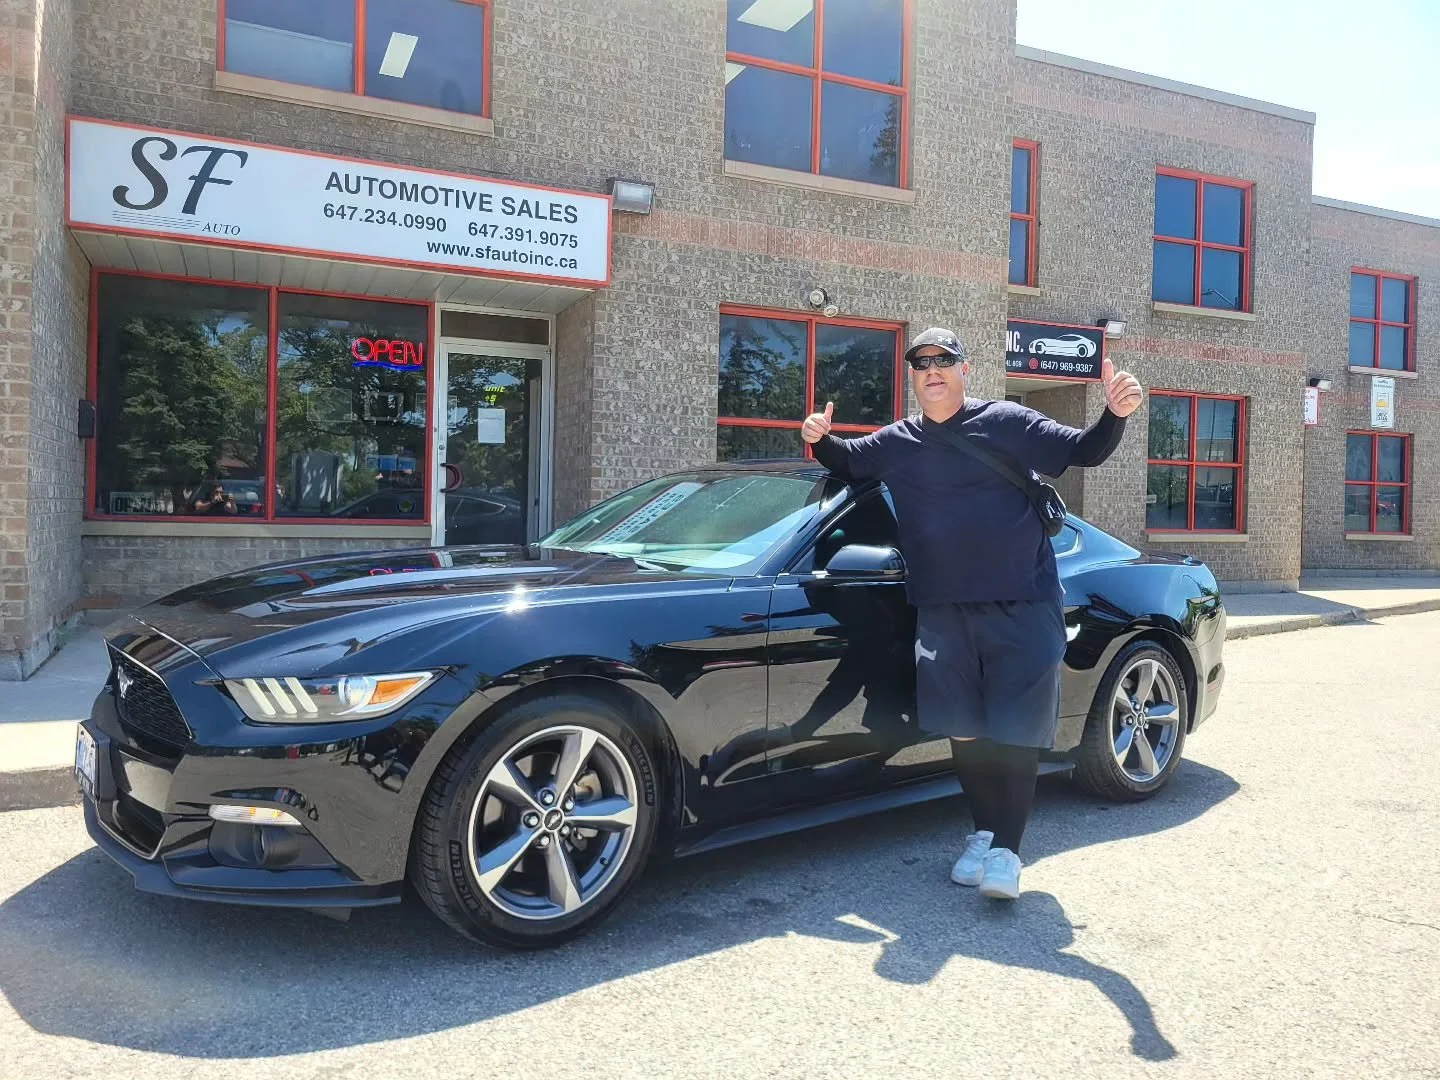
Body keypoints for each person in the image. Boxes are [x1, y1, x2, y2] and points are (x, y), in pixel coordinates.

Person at [800, 327, 1143, 900]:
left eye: (943, 361)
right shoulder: (900, 441)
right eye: (921, 363)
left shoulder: (1006, 422)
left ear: (964, 370)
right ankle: (985, 832)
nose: (932, 370)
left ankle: (1008, 850)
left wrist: (1115, 414)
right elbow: (846, 461)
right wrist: (817, 437)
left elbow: (1084, 450)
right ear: (913, 378)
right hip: (943, 610)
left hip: (1024, 603)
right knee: (965, 728)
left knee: (1013, 730)